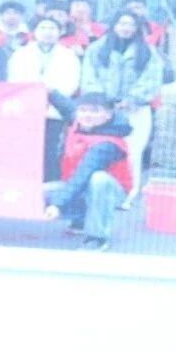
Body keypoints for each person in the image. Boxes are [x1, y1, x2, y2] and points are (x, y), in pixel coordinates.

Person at [81, 10, 164, 209]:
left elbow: (152, 80)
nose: (126, 28)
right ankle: (96, 195)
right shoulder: (96, 49)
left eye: (131, 25)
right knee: (101, 151)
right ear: (113, 26)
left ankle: (127, 194)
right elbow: (89, 77)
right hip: (103, 111)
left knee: (132, 152)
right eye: (122, 24)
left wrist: (132, 99)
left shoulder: (148, 52)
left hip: (136, 111)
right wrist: (101, 101)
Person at [43, 92, 133, 251]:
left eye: (94, 111)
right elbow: (65, 105)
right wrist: (49, 91)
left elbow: (83, 174)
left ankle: (97, 237)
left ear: (108, 114)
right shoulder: (79, 122)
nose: (87, 115)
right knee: (39, 195)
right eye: (83, 110)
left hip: (111, 192)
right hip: (81, 186)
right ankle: (81, 218)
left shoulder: (107, 144)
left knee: (98, 179)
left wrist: (58, 205)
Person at [8, 17, 82, 182]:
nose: (48, 32)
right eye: (43, 28)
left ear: (60, 32)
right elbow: (14, 79)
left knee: (50, 150)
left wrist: (50, 91)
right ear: (34, 32)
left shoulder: (69, 55)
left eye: (52, 28)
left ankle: (49, 183)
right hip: (27, 108)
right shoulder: (21, 54)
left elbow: (71, 83)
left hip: (55, 109)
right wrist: (35, 91)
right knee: (25, 148)